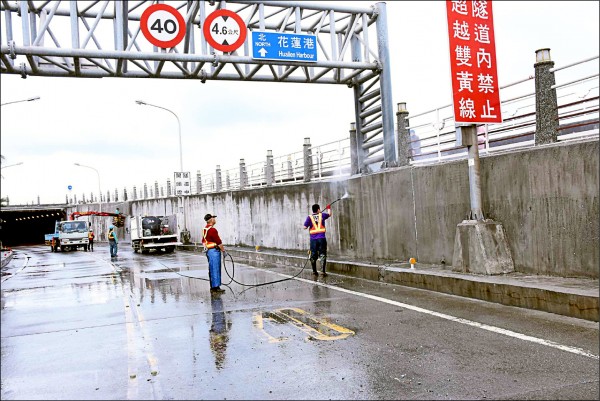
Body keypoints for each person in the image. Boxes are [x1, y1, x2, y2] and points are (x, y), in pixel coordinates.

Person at [303, 203, 332, 276]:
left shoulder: (309, 217)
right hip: (322, 239)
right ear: (318, 209)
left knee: (313, 255)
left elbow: (304, 227)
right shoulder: (322, 215)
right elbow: (329, 214)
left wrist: (310, 225)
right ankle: (323, 272)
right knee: (322, 254)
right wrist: (328, 208)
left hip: (313, 240)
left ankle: (314, 271)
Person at [202, 214, 226, 293]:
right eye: (213, 218)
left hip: (209, 251)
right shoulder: (212, 230)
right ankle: (216, 287)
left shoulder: (205, 229)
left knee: (212, 269)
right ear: (211, 220)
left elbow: (203, 241)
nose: (215, 219)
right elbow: (219, 242)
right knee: (215, 269)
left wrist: (206, 248)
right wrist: (223, 251)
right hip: (214, 251)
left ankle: (213, 286)